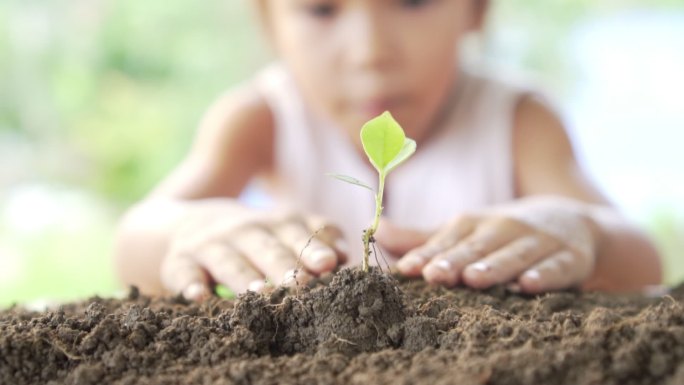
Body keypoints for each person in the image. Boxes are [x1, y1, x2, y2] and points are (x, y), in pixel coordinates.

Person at [114, 0, 662, 301]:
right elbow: (135, 239)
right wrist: (188, 230)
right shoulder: (261, 117)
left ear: (476, 10)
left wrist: (581, 230)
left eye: (412, 1)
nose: (371, 51)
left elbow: (641, 258)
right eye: (322, 10)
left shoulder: (518, 119)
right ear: (269, 20)